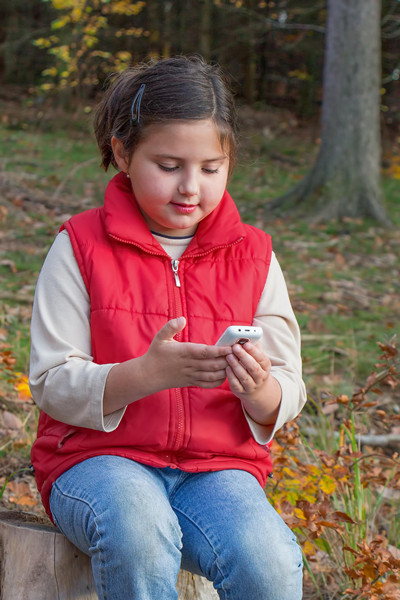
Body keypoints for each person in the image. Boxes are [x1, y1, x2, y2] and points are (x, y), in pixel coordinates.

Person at [29, 55, 306, 600]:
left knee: (270, 561)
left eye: (210, 168)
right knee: (138, 531)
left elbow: (289, 383)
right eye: (169, 164)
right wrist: (142, 375)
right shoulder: (80, 246)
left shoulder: (253, 255)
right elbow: (51, 380)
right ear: (122, 153)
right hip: (96, 464)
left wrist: (262, 391)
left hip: (217, 470)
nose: (190, 188)